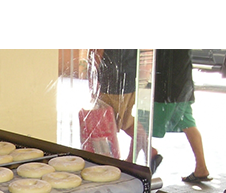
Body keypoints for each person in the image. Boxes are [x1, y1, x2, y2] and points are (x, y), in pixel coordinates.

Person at [90, 49, 162, 170]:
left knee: (107, 124)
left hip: (111, 80)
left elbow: (97, 52)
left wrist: (92, 77)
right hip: (130, 78)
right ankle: (143, 154)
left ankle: (111, 163)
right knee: (126, 122)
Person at [153, 49, 212, 183]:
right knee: (188, 122)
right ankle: (201, 167)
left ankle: (131, 162)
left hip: (167, 85)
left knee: (143, 122)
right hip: (182, 82)